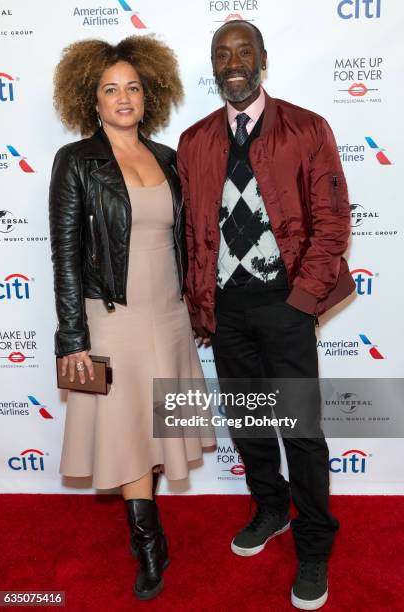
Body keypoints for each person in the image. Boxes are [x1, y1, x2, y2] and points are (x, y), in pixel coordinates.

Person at [177, 20, 355, 610]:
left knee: (300, 432)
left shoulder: (307, 128)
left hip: (286, 306)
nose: (233, 62)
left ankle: (313, 544)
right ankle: (272, 509)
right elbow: (190, 234)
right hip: (227, 313)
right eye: (221, 53)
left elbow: (332, 223)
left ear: (263, 60)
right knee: (250, 424)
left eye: (243, 51)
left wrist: (301, 301)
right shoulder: (195, 140)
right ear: (213, 65)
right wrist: (201, 303)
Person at [49, 36, 215, 602]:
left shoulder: (168, 159)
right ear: (90, 100)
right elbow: (65, 254)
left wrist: (199, 305)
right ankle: (147, 542)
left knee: (164, 425)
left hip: (169, 315)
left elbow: (186, 242)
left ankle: (148, 521)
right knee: (126, 434)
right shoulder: (75, 162)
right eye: (110, 89)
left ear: (150, 94)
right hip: (111, 319)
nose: (123, 98)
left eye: (133, 88)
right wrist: (72, 336)